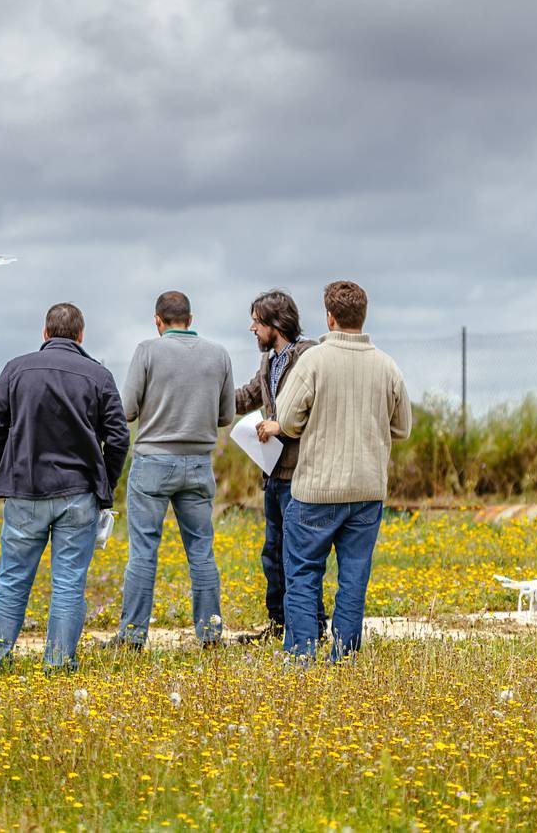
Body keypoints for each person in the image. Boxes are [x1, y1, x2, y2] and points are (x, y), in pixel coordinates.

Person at [261, 280, 411, 661]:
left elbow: (290, 421)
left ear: (329, 317)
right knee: (354, 578)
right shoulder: (387, 366)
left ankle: (301, 654)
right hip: (367, 490)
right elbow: (403, 428)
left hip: (316, 490)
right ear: (363, 316)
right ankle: (344, 655)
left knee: (303, 574)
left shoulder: (314, 361)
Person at [0, 303, 130, 670]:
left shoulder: (16, 369)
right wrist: (104, 484)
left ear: (45, 333)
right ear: (81, 336)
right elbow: (119, 437)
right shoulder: (99, 374)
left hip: (24, 490)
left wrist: (8, 465)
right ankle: (59, 664)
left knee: (12, 580)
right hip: (78, 493)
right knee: (67, 585)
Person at [111, 290, 236, 649]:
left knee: (143, 550)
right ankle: (210, 635)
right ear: (190, 320)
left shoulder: (147, 351)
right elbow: (226, 416)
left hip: (153, 462)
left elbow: (127, 410)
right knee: (201, 551)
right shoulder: (219, 354)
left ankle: (132, 637)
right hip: (198, 465)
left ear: (158, 321)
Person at [233, 290, 325, 644]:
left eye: (256, 320)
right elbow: (248, 397)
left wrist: (282, 427)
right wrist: (207, 395)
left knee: (298, 556)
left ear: (276, 324)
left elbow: (315, 410)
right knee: (272, 554)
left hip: (300, 474)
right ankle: (280, 623)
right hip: (272, 474)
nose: (252, 327)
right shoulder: (269, 362)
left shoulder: (310, 357)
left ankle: (311, 626)